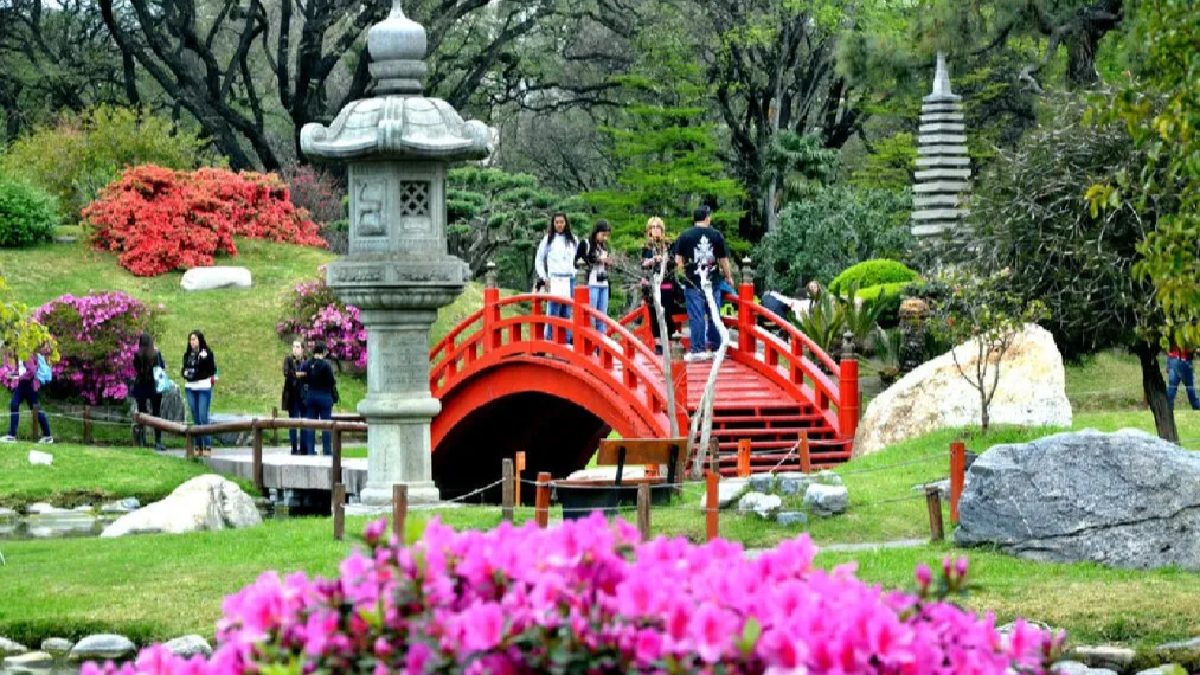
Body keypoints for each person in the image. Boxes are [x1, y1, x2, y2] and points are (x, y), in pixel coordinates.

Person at [674, 206, 734, 361]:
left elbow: (678, 261)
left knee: (697, 315)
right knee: (714, 314)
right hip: (712, 281)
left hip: (693, 282)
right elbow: (723, 260)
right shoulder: (716, 235)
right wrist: (728, 278)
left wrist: (683, 276)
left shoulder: (685, 235)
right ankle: (715, 347)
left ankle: (698, 349)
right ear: (707, 217)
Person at [534, 212, 579, 342]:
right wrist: (544, 278)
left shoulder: (573, 240)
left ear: (566, 223)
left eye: (562, 222)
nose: (559, 225)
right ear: (553, 224)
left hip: (569, 278)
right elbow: (539, 260)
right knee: (553, 311)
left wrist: (574, 272)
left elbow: (578, 259)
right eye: (557, 222)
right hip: (554, 279)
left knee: (566, 311)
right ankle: (550, 340)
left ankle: (565, 340)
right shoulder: (548, 240)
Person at [640, 217, 681, 352]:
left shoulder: (668, 245)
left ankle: (670, 341)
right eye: (653, 227)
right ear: (649, 230)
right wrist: (653, 260)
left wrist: (664, 259)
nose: (656, 230)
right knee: (655, 314)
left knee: (667, 312)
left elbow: (675, 262)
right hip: (652, 285)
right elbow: (643, 264)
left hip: (667, 284)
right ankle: (658, 343)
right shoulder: (647, 247)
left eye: (658, 227)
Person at [1, 343, 53, 444]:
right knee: (14, 405)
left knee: (35, 409)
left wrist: (18, 377)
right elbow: (19, 372)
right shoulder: (18, 357)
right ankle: (11, 435)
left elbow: (31, 372)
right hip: (21, 386)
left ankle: (47, 436)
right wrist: (9, 375)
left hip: (29, 386)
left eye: (9, 350)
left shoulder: (26, 355)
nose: (8, 352)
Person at [181, 330, 216, 457]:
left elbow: (211, 370)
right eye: (191, 339)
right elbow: (184, 369)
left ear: (200, 340)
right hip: (190, 387)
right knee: (195, 417)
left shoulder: (207, 353)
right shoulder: (187, 354)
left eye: (195, 339)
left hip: (203, 387)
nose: (192, 342)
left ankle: (207, 445)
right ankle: (197, 445)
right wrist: (186, 373)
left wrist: (204, 360)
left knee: (202, 417)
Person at [300, 342, 338, 456]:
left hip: (311, 397)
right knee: (326, 425)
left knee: (311, 424)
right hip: (324, 397)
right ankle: (327, 451)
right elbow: (332, 381)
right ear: (323, 351)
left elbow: (303, 379)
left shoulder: (307, 364)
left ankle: (311, 451)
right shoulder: (326, 365)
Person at [131, 333, 167, 452]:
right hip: (154, 386)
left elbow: (136, 369)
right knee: (156, 413)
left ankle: (142, 440)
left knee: (142, 413)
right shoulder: (156, 354)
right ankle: (157, 441)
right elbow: (161, 368)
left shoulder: (137, 354)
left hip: (140, 385)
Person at [577, 219, 613, 334]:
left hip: (604, 283)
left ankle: (600, 347)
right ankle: (590, 342)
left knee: (602, 316)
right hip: (591, 282)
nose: (605, 238)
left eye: (607, 235)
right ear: (596, 232)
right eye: (603, 235)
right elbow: (578, 261)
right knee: (591, 315)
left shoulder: (605, 247)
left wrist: (609, 262)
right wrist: (597, 259)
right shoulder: (586, 244)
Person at [282, 340, 307, 455]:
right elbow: (287, 373)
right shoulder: (288, 359)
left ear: (302, 349)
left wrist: (297, 375)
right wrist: (300, 374)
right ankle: (293, 447)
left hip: (303, 395)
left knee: (304, 422)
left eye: (297, 347)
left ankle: (304, 447)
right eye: (294, 346)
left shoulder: (306, 361)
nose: (295, 349)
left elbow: (309, 374)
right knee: (293, 422)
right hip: (292, 396)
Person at [1167, 342, 1199, 411]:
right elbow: (1190, 348)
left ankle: (1168, 409)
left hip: (1172, 359)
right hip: (1184, 359)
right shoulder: (1185, 333)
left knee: (1172, 387)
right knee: (1190, 387)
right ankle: (1196, 405)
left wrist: (1168, 363)